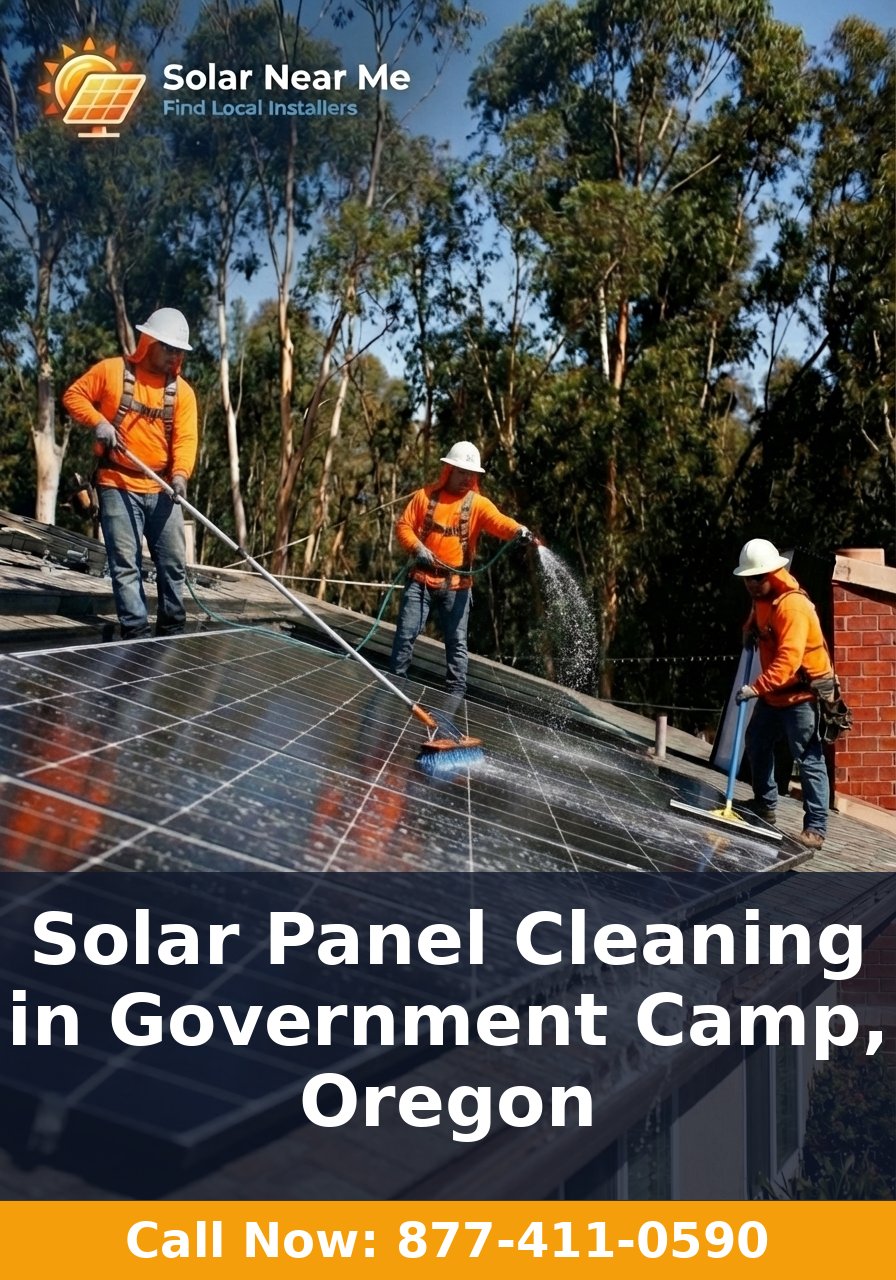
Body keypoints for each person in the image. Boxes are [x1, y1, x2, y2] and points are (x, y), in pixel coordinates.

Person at [63, 308, 198, 639]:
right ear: (148, 342)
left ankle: (171, 632)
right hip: (117, 483)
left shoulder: (182, 393)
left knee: (172, 565)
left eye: (179, 350)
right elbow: (73, 396)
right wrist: (99, 422)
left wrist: (180, 476)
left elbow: (185, 439)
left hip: (163, 488)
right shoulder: (111, 372)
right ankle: (137, 636)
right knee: (126, 563)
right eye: (168, 347)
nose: (174, 355)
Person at [390, 441, 534, 696]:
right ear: (448, 470)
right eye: (461, 472)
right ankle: (395, 686)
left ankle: (456, 696)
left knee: (456, 644)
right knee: (406, 633)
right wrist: (417, 548)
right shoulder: (425, 496)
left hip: (457, 586)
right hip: (421, 579)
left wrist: (518, 530)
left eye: (471, 473)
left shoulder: (477, 504)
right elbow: (404, 526)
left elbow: (500, 522)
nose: (466, 478)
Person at [732, 538, 833, 850]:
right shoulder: (762, 596)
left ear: (770, 574)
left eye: (755, 578)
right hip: (776, 694)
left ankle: (815, 828)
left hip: (800, 695)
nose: (749, 584)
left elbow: (788, 662)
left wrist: (755, 688)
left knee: (808, 757)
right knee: (758, 741)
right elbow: (757, 618)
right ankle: (765, 804)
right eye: (747, 578)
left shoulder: (793, 607)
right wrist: (748, 629)